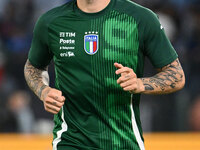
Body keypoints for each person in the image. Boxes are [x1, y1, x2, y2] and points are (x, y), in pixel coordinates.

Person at [24, 0, 185, 149]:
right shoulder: (51, 22)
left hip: (123, 142)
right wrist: (43, 91)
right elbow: (33, 67)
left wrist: (140, 84)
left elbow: (176, 75)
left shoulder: (140, 18)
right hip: (70, 141)